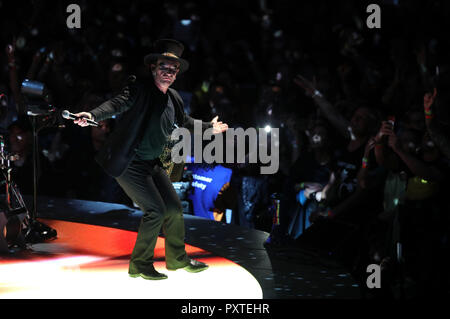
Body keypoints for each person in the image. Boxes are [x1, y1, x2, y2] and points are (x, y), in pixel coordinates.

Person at [73, 39, 228, 280]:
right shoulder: (139, 88)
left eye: (173, 69)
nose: (168, 73)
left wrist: (210, 127)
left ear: (177, 74)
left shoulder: (174, 98)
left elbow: (185, 122)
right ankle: (140, 265)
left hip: (151, 163)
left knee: (174, 210)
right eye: (164, 67)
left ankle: (177, 260)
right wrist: (92, 114)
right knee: (155, 211)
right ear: (153, 68)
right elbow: (117, 103)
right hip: (130, 162)